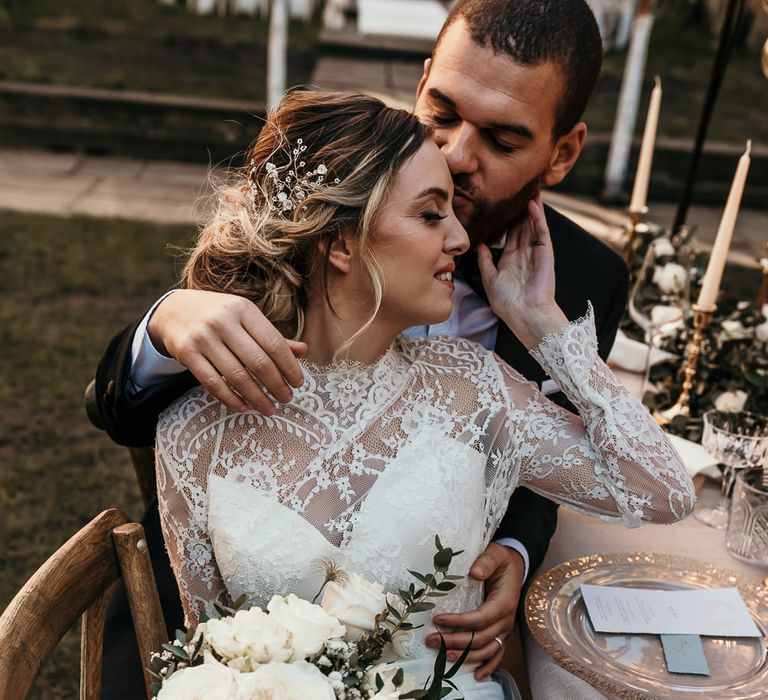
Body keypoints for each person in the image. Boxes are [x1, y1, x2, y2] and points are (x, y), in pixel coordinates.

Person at [95, 0, 628, 690]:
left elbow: (550, 457)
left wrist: (519, 550)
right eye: (443, 112)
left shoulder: (587, 280)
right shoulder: (331, 199)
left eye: (501, 140)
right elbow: (121, 414)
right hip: (230, 636)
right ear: (424, 79)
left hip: (430, 642)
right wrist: (167, 321)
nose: (455, 153)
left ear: (561, 153)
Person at [155, 90, 694, 699]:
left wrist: (543, 323)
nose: (461, 239)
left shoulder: (474, 390)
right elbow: (211, 657)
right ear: (341, 242)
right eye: (431, 214)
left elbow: (664, 493)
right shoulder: (195, 430)